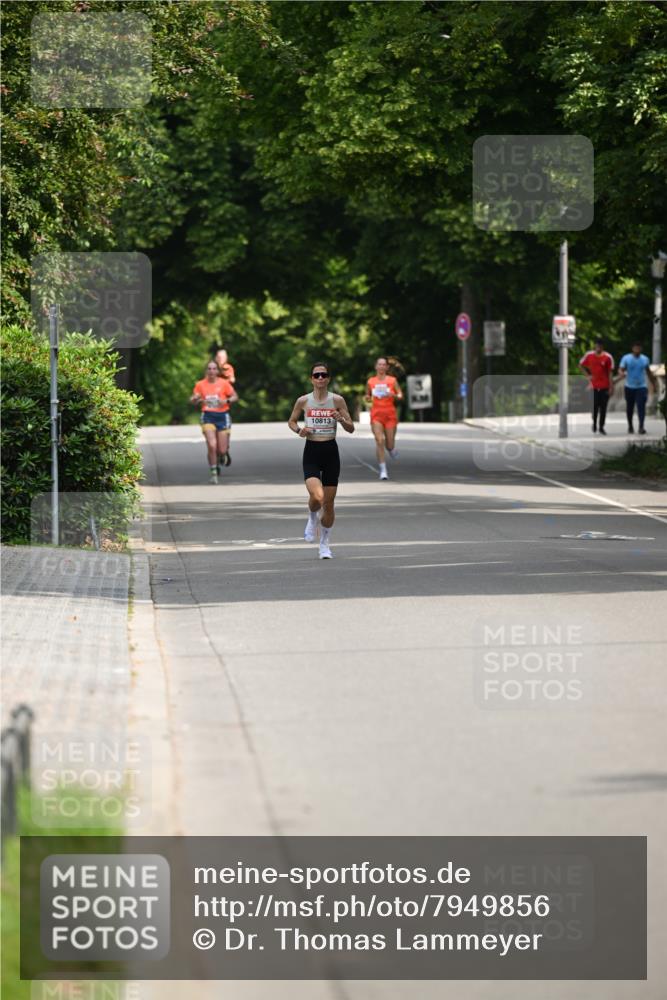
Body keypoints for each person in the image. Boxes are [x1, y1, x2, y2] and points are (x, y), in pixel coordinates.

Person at [287, 362, 354, 559]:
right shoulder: (303, 401)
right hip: (312, 451)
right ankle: (311, 517)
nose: (320, 378)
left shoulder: (338, 400)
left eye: (324, 375)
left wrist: (340, 419)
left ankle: (324, 544)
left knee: (330, 504)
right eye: (316, 375)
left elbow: (351, 428)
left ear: (328, 378)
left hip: (331, 451)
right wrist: (300, 430)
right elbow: (291, 421)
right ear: (311, 379)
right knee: (317, 497)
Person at [190, 361, 238, 482]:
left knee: (221, 449)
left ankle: (223, 454)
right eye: (209, 368)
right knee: (212, 445)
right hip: (207, 416)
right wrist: (195, 399)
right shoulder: (200, 384)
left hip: (222, 416)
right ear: (206, 371)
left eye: (214, 368)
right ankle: (214, 473)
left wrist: (226, 401)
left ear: (217, 371)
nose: (211, 371)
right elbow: (193, 398)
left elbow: (235, 396)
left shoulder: (224, 383)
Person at [364, 356, 403, 480]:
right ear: (376, 367)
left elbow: (400, 395)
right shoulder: (371, 381)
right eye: (379, 364)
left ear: (387, 367)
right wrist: (368, 398)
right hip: (376, 414)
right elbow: (367, 395)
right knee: (379, 440)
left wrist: (394, 395)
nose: (381, 367)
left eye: (383, 365)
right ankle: (383, 470)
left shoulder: (392, 380)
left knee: (389, 444)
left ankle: (391, 449)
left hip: (390, 414)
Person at [616, 342, 657, 435]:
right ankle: (630, 425)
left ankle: (641, 427)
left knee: (641, 407)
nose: (637, 350)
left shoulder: (645, 359)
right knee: (630, 408)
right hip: (629, 386)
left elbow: (648, 372)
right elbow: (620, 369)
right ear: (632, 348)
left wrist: (653, 384)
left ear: (641, 349)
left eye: (639, 348)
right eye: (635, 348)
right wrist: (621, 373)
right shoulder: (626, 358)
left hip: (641, 387)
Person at [579, 340, 614, 434]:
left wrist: (611, 386)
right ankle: (594, 422)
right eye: (597, 346)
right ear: (595, 346)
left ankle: (601, 426)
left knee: (603, 407)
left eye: (600, 346)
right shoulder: (589, 355)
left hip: (604, 385)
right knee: (594, 406)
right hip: (593, 386)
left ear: (602, 347)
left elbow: (610, 372)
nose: (598, 348)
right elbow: (580, 365)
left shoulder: (607, 357)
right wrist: (587, 375)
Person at [214, 348, 236, 465]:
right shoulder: (212, 368)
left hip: (224, 403)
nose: (221, 359)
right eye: (219, 357)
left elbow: (232, 379)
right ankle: (216, 451)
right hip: (213, 405)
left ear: (226, 358)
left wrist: (226, 377)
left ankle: (225, 448)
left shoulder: (228, 368)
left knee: (225, 428)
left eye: (223, 357)